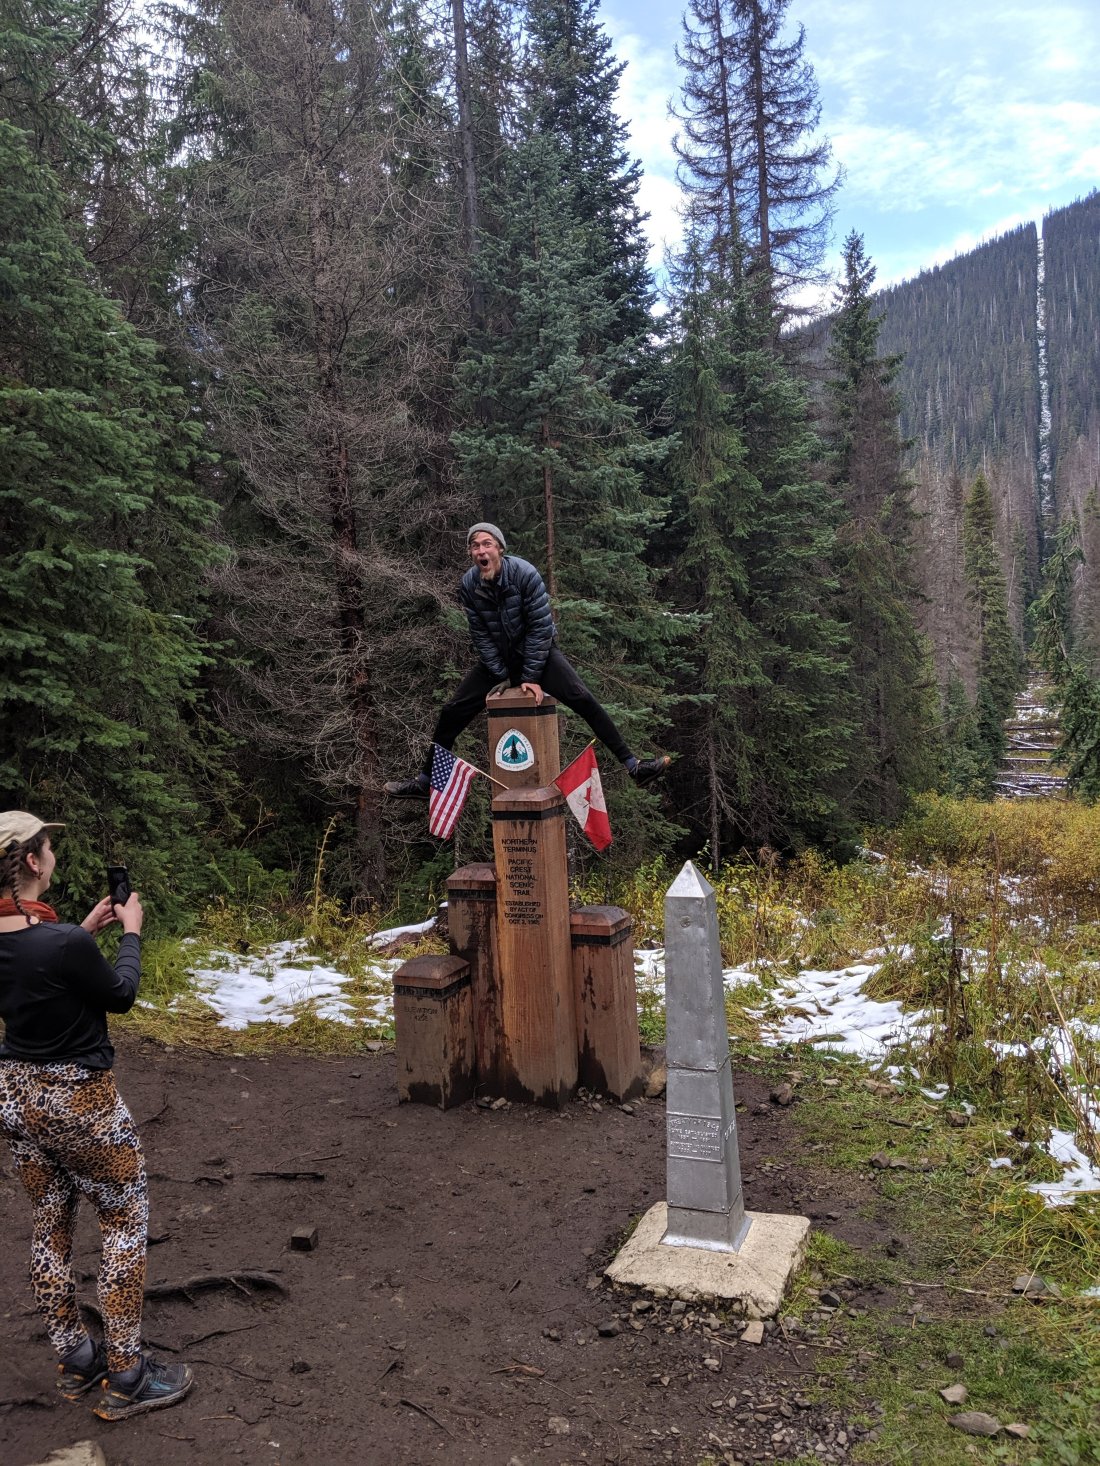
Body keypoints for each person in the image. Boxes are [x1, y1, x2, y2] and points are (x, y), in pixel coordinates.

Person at [0, 811, 193, 1420]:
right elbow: (121, 994)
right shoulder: (62, 944)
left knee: (49, 1222)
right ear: (33, 861)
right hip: (79, 1101)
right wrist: (130, 932)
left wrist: (83, 929)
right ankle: (128, 1373)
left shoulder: (50, 939)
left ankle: (77, 1357)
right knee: (123, 1219)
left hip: (16, 1098)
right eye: (48, 845)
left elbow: (36, 976)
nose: (53, 853)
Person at [385, 523, 670, 798]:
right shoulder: (469, 584)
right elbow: (480, 634)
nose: (481, 551)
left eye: (487, 544)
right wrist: (501, 675)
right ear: (471, 553)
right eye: (475, 546)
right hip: (499, 660)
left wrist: (530, 676)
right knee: (452, 711)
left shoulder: (524, 574)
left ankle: (633, 766)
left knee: (582, 697)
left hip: (539, 654)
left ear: (500, 549)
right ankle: (427, 782)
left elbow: (540, 629)